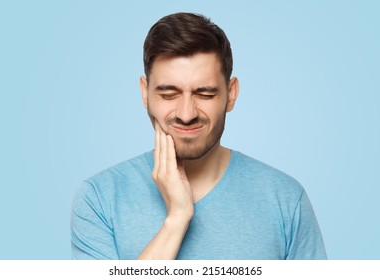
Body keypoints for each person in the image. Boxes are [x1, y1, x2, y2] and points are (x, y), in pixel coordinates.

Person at [70, 12, 327, 260]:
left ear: (231, 94)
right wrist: (177, 218)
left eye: (204, 94)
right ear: (144, 93)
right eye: (168, 94)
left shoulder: (286, 199)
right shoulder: (99, 198)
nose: (186, 114)